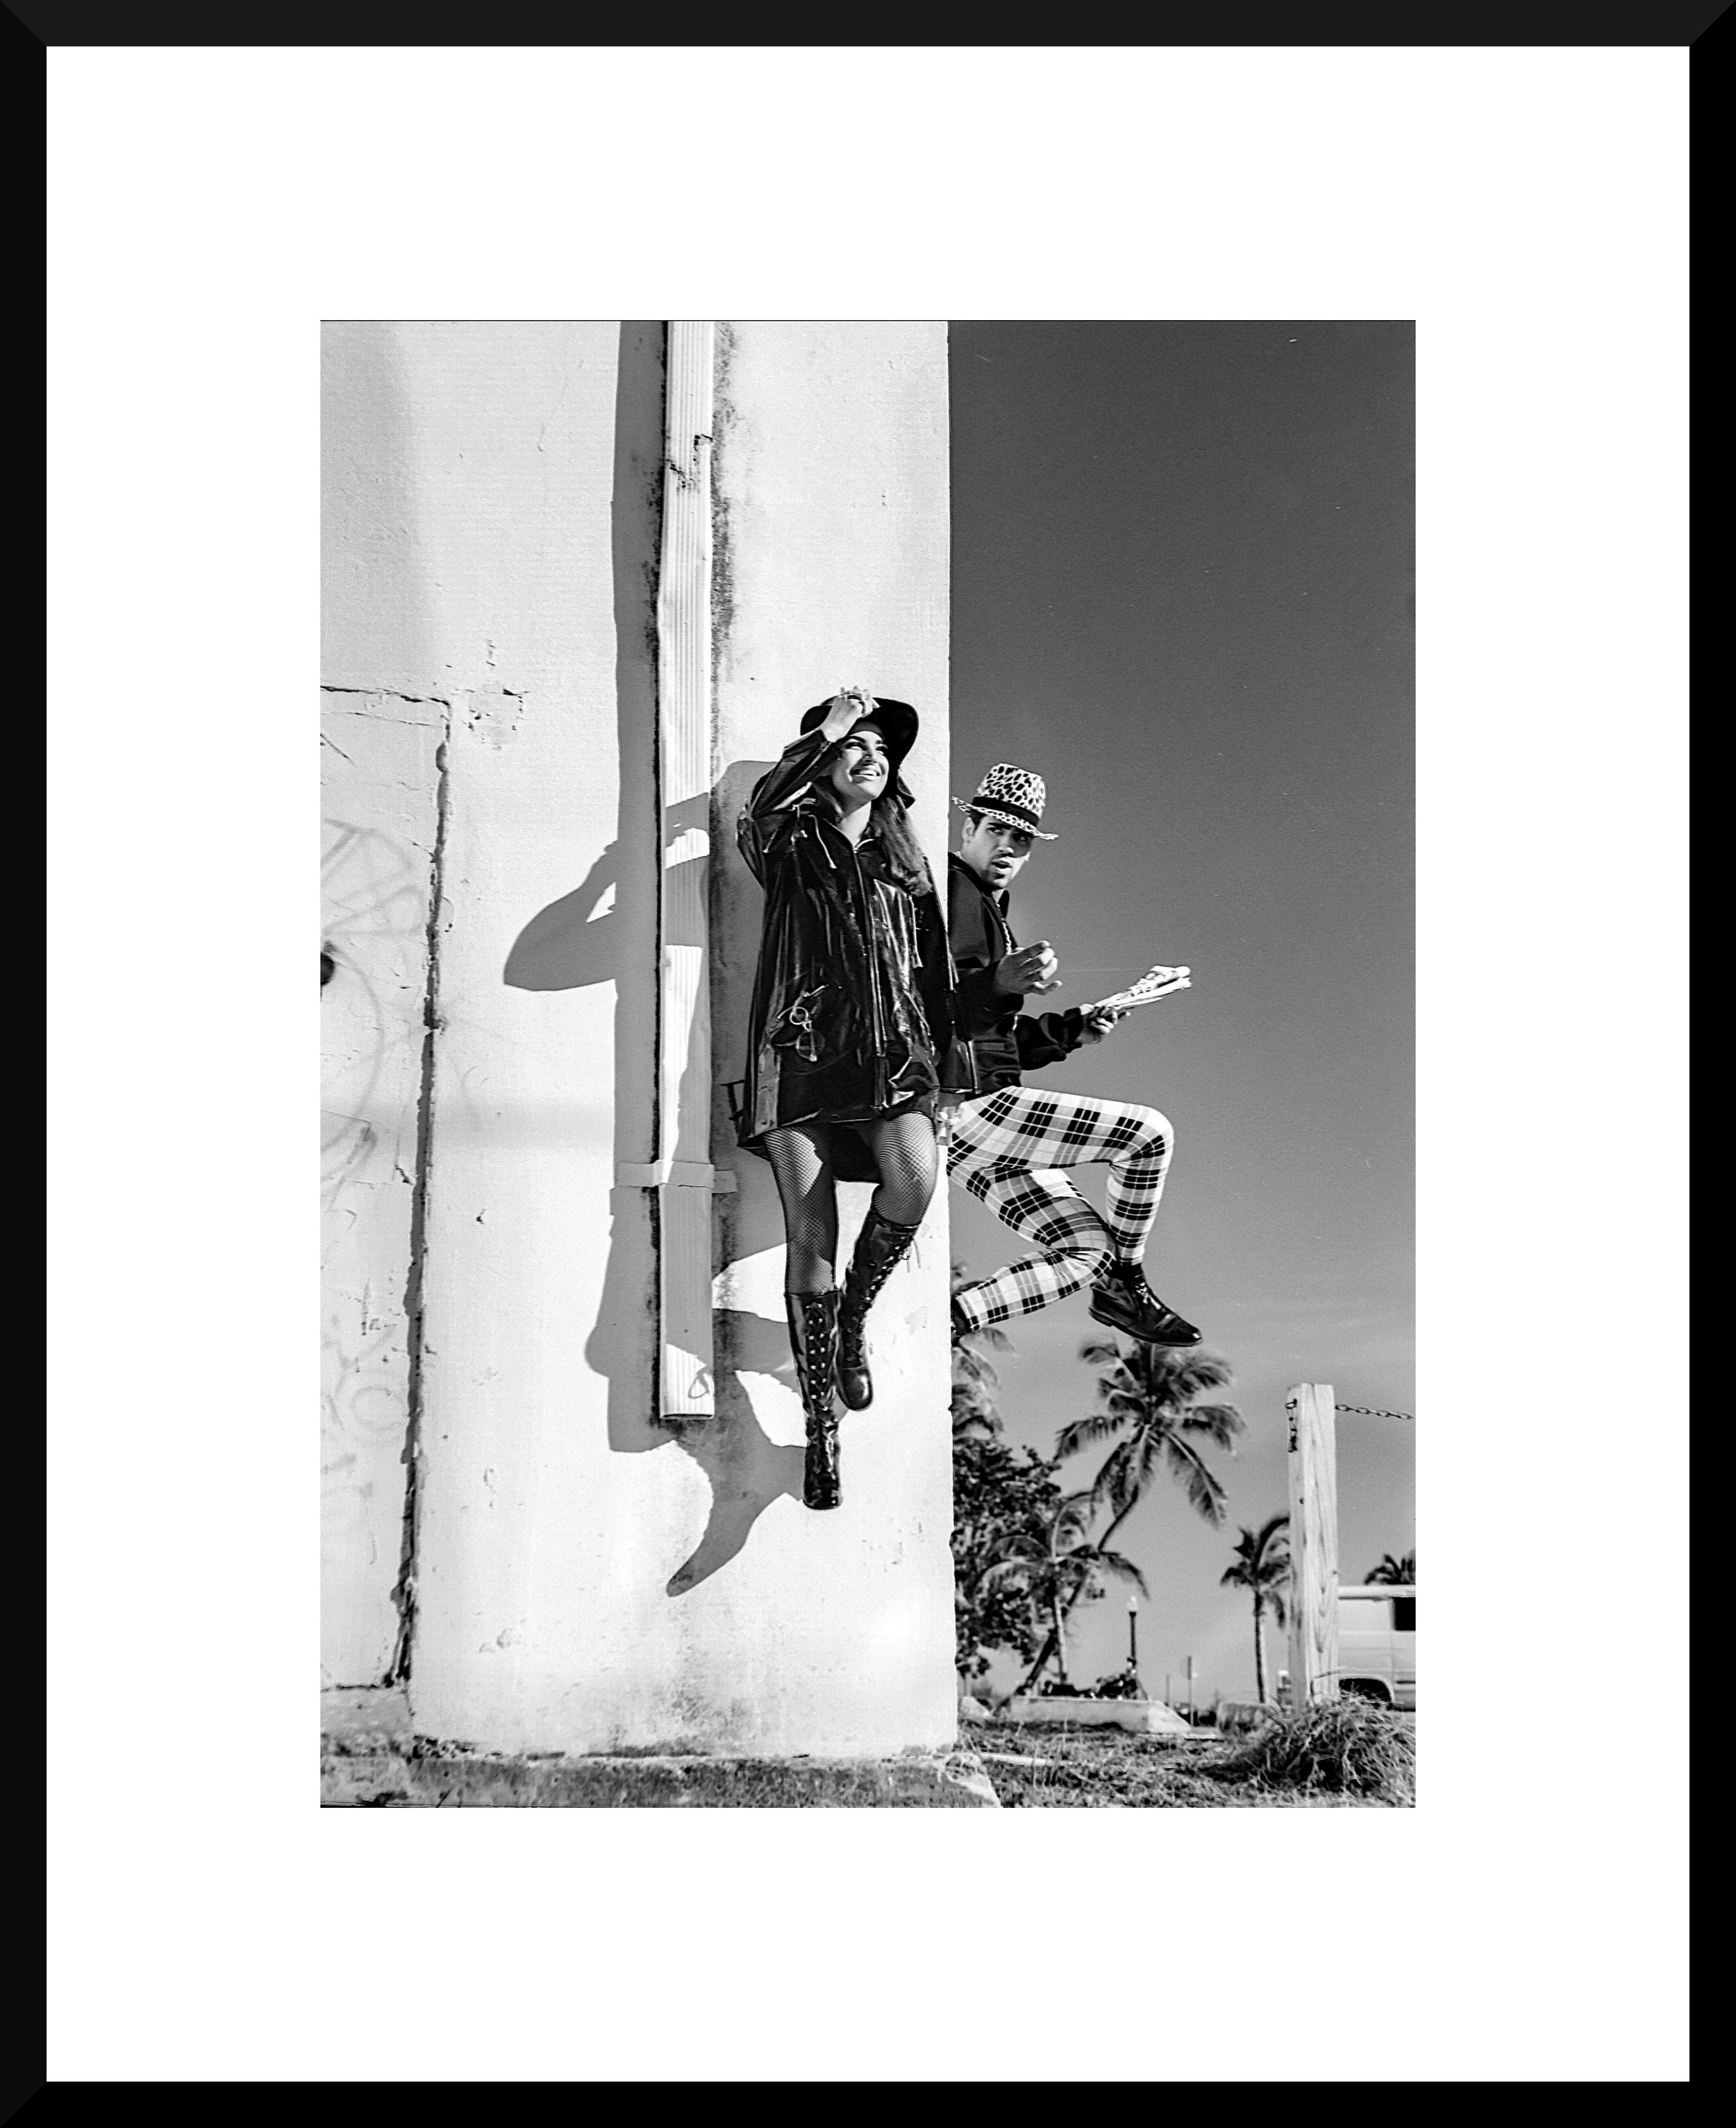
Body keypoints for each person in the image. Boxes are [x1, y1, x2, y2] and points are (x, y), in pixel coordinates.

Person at [735, 687, 955, 1511]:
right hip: (798, 1062)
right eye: (853, 744)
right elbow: (760, 805)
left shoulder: (904, 861)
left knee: (915, 1178)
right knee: (812, 1228)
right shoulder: (787, 838)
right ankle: (821, 1428)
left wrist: (951, 1072)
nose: (871, 755)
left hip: (895, 1061)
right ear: (822, 760)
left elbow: (932, 973)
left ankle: (852, 1321)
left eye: (882, 748)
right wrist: (820, 733)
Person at [944, 763, 1202, 1346]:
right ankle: (1129, 1284)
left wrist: (1071, 1031)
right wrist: (1001, 983)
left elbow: (991, 1043)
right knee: (1148, 1135)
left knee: (1089, 1250)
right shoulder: (955, 894)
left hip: (976, 1131)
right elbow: (934, 1009)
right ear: (967, 831)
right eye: (995, 831)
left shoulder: (988, 906)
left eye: (1022, 839)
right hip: (963, 1106)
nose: (1007, 846)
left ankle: (951, 1322)